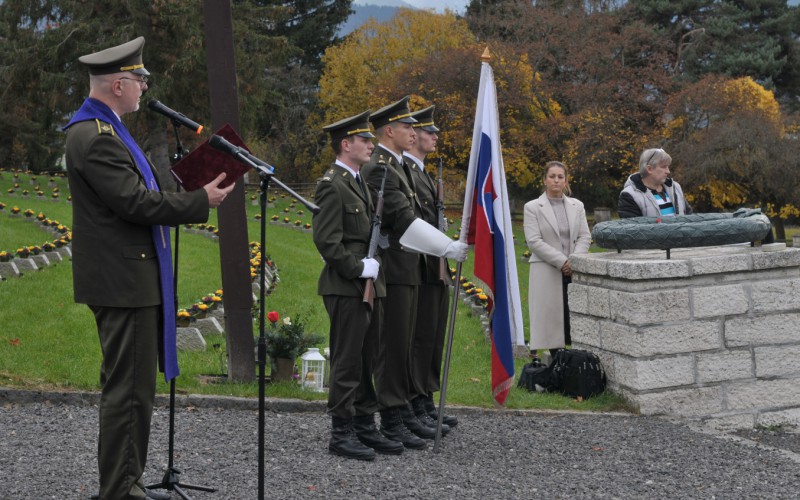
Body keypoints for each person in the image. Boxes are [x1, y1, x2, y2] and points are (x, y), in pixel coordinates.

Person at [63, 37, 233, 499]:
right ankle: (121, 490)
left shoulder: (107, 130)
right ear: (118, 84)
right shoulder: (96, 137)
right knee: (130, 394)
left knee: (133, 391)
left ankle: (126, 482)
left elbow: (142, 193)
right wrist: (200, 201)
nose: (144, 87)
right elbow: (134, 203)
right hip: (124, 284)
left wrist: (189, 187)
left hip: (128, 279)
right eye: (140, 79)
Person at [361, 96, 468, 450]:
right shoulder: (381, 168)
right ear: (389, 131)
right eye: (407, 127)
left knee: (410, 343)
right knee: (394, 346)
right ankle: (394, 416)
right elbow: (405, 220)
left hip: (411, 267)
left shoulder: (398, 167)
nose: (414, 132)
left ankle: (408, 407)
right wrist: (447, 247)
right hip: (395, 268)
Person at [312, 110, 403, 461]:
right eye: (363, 140)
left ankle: (365, 424)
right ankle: (341, 431)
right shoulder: (332, 184)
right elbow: (327, 241)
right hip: (346, 285)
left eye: (369, 139)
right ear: (345, 144)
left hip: (368, 285)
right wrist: (358, 267)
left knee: (368, 360)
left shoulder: (359, 181)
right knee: (348, 362)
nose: (370, 145)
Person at [402, 105, 458, 429]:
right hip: (419, 265)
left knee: (433, 336)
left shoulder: (422, 172)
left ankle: (425, 398)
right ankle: (415, 400)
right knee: (420, 337)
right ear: (414, 137)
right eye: (428, 132)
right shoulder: (408, 172)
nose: (435, 137)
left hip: (434, 264)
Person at [523, 161, 591, 359]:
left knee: (574, 318)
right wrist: (562, 262)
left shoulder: (577, 206)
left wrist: (574, 261)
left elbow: (585, 236)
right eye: (552, 176)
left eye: (560, 177)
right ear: (544, 180)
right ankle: (556, 361)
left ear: (566, 181)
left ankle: (575, 361)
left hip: (574, 270)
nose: (556, 180)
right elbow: (534, 241)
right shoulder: (533, 207)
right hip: (547, 269)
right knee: (551, 321)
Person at [618, 148, 692, 218]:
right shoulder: (629, 195)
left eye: (668, 167)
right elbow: (633, 226)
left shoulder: (675, 187)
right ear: (649, 169)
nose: (668, 171)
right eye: (664, 167)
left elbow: (689, 218)